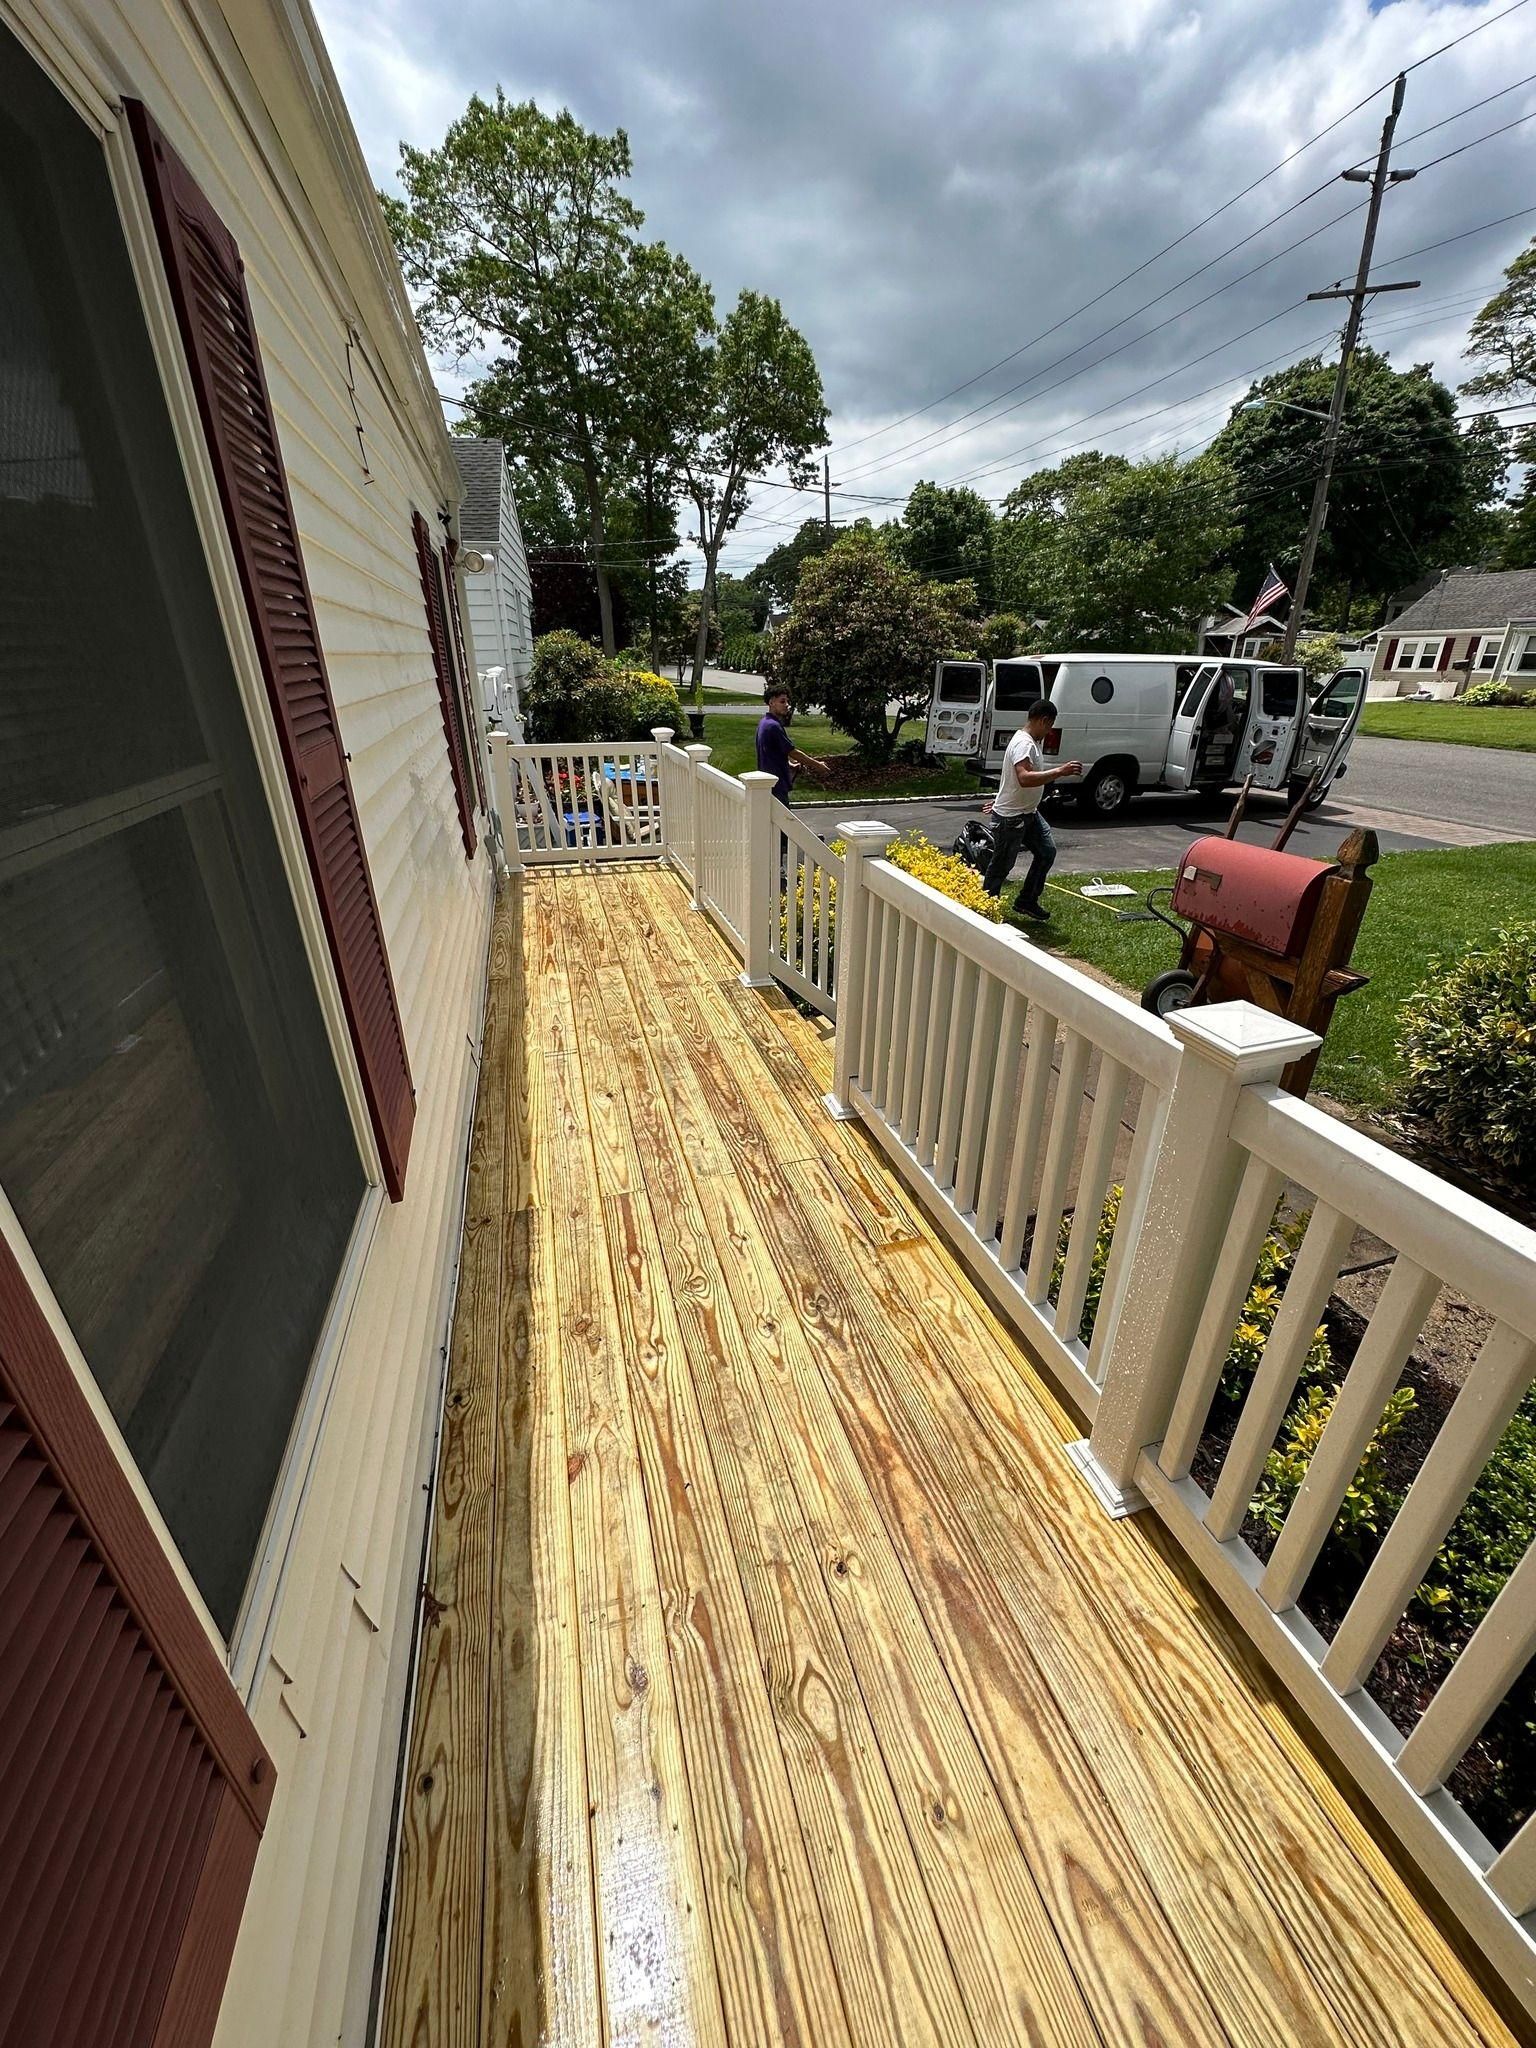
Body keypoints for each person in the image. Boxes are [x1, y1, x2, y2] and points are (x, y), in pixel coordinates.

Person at [981, 698, 1082, 919]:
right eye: (1049, 726)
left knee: (1046, 852)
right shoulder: (1024, 743)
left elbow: (1008, 780)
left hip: (1029, 814)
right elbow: (1024, 778)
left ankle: (1027, 901)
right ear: (1044, 720)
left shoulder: (1032, 741)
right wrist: (1060, 772)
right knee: (1001, 866)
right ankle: (984, 910)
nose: (1049, 731)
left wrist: (998, 801)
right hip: (1012, 819)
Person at [756, 686, 830, 802]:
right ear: (771, 702)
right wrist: (817, 765)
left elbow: (773, 751)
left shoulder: (764, 722)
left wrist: (790, 765)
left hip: (769, 783)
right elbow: (792, 752)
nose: (787, 705)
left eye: (787, 701)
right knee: (783, 819)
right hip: (776, 785)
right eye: (782, 701)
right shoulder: (773, 726)